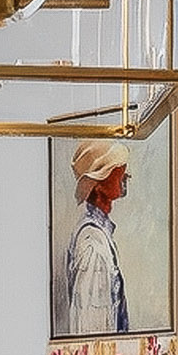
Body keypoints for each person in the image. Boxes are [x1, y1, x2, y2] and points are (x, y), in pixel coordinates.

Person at [61, 138, 132, 335]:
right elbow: (92, 330)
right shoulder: (92, 243)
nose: (126, 175)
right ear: (98, 184)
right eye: (118, 170)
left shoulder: (99, 235)